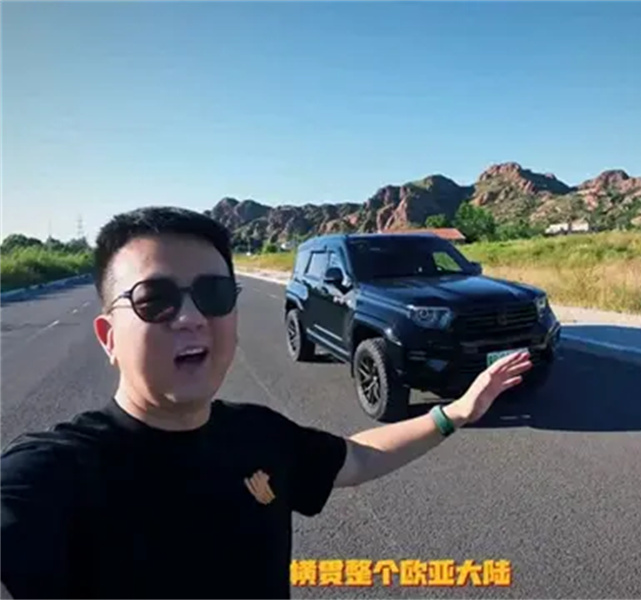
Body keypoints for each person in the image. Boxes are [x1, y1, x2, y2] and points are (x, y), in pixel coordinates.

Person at [0, 206, 532, 599]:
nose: (191, 318)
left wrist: (453, 413)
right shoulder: (52, 473)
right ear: (108, 336)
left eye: (213, 295)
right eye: (155, 300)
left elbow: (356, 457)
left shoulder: (258, 435)